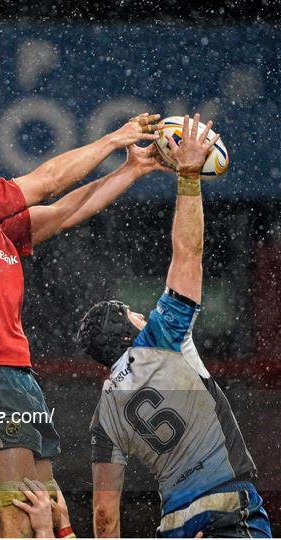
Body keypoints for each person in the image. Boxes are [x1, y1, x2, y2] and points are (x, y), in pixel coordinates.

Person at [0, 112, 170, 538]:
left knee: (51, 513)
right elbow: (49, 180)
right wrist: (115, 139)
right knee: (20, 515)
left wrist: (132, 168)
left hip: (11, 375)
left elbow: (62, 211)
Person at [77, 114, 273, 538]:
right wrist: (187, 175)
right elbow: (188, 253)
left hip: (175, 526)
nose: (143, 315)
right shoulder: (161, 338)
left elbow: (105, 517)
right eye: (133, 313)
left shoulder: (104, 414)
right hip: (227, 509)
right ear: (127, 331)